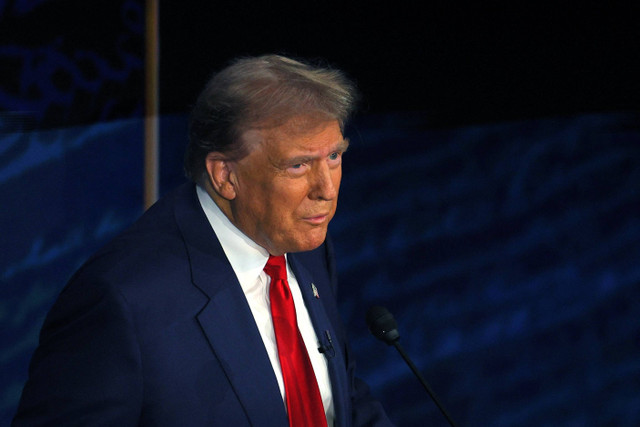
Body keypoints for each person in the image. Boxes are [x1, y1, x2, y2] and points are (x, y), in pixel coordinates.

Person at [12, 54, 394, 426]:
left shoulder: (305, 247)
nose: (326, 190)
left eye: (334, 157)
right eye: (298, 165)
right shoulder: (122, 302)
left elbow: (338, 397)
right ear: (225, 176)